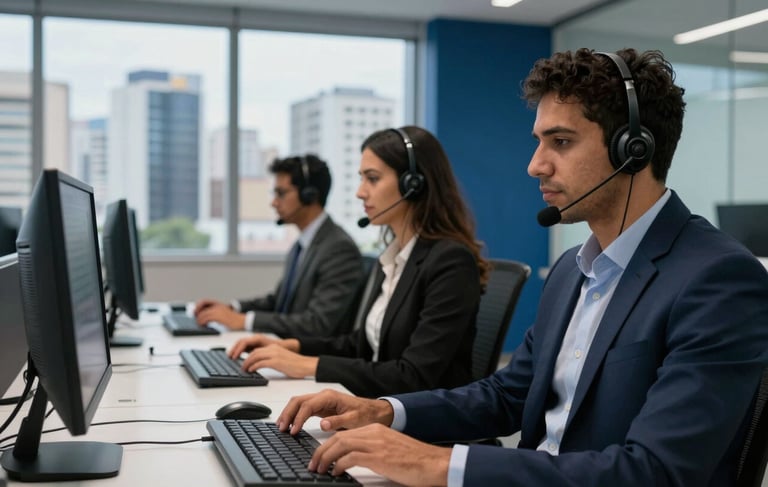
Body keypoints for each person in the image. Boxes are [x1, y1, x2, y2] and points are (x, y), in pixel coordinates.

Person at [274, 49, 768, 486]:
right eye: (539, 140)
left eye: (561, 142)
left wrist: (439, 466)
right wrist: (383, 411)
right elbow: (508, 393)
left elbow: (654, 471)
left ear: (632, 150)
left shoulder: (718, 280)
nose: (535, 165)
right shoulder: (576, 270)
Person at [227, 126, 490, 398]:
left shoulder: (449, 261)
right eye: (361, 179)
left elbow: (413, 376)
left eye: (372, 179)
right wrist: (294, 346)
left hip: (421, 423)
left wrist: (310, 365)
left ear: (413, 184)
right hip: (379, 405)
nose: (360, 193)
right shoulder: (394, 257)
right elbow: (361, 345)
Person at [193, 155, 364, 337]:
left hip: (306, 357)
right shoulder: (302, 245)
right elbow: (279, 301)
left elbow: (318, 323)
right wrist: (233, 308)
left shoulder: (338, 249)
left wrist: (244, 321)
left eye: (281, 193)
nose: (274, 203)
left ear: (310, 195)